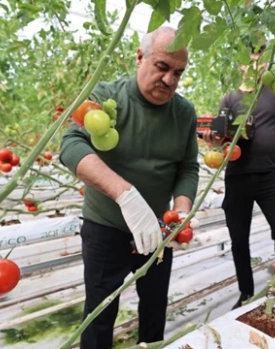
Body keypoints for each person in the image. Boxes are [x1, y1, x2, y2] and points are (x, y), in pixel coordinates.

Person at [59, 26, 199, 349]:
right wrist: (124, 194)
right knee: (99, 310)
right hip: (105, 228)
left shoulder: (184, 113)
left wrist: (181, 210)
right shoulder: (106, 99)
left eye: (178, 73)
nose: (169, 80)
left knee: (154, 307)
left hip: (158, 231)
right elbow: (71, 145)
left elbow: (188, 167)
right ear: (140, 57)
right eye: (162, 67)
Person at [202, 43, 275, 310]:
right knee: (239, 238)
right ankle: (246, 293)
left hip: (271, 176)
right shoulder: (229, 99)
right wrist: (212, 142)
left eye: (261, 61)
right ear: (241, 65)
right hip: (237, 177)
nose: (256, 66)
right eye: (250, 62)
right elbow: (221, 142)